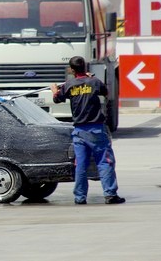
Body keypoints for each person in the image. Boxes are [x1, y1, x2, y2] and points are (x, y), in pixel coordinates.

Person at [51, 56, 125, 205]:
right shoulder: (95, 82)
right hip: (96, 130)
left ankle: (80, 197)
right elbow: (106, 92)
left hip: (79, 132)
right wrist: (89, 79)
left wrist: (54, 90)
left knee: (81, 165)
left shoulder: (69, 85)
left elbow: (57, 99)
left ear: (72, 70)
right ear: (85, 67)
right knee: (105, 163)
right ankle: (110, 194)